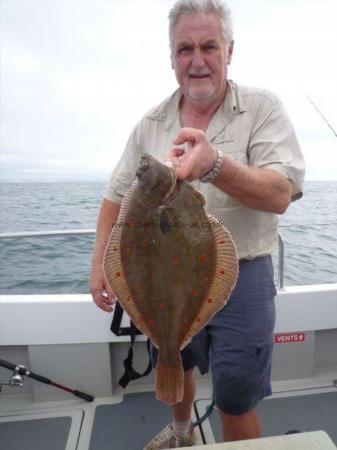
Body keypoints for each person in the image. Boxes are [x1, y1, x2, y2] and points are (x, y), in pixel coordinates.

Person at [90, 0, 305, 448]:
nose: (197, 59)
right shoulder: (149, 124)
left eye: (209, 46)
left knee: (236, 398)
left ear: (229, 51)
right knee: (176, 358)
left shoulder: (263, 109)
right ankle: (183, 432)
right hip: (160, 278)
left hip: (242, 275)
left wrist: (215, 166)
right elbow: (115, 197)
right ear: (171, 58)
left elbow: (281, 192)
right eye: (184, 49)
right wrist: (99, 264)